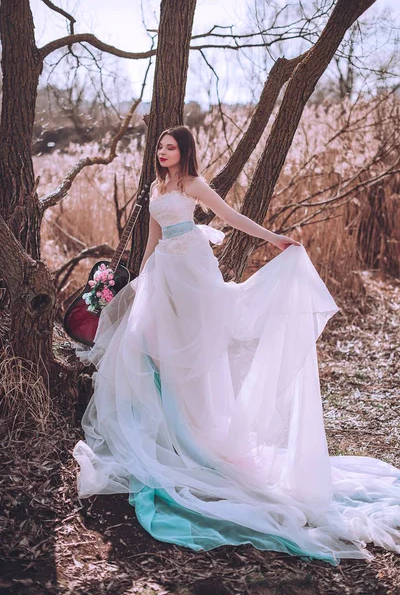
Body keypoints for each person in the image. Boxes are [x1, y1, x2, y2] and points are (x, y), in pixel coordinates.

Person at [73, 125, 400, 565]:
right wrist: (139, 277)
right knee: (151, 347)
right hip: (164, 271)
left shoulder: (193, 185)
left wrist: (274, 238)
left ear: (184, 152)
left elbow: (229, 217)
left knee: (194, 347)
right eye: (160, 147)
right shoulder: (154, 186)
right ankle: (175, 427)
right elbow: (151, 237)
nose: (162, 152)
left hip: (192, 269)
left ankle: (198, 431)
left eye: (170, 147)